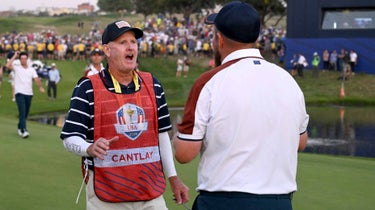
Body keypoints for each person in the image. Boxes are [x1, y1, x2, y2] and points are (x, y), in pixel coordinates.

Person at [172, 2, 309, 210]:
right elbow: (300, 142)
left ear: (219, 39)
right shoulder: (288, 81)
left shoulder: (208, 82)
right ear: (255, 38)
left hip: (223, 201)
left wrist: (177, 130)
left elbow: (184, 154)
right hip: (279, 202)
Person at [60, 20, 189, 210]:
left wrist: (173, 177)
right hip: (105, 194)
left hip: (150, 192)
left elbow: (161, 135)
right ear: (107, 50)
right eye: (122, 43)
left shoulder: (153, 84)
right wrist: (89, 148)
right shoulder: (87, 87)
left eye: (133, 42)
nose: (130, 47)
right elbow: (69, 137)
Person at [6, 51, 45, 138]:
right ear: (19, 60)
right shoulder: (17, 68)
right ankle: (24, 130)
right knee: (22, 112)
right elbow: (7, 65)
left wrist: (40, 87)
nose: (23, 60)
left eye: (25, 58)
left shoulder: (32, 70)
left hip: (29, 93)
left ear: (27, 59)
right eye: (22, 58)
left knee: (25, 113)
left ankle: (20, 126)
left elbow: (36, 79)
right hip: (19, 93)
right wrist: (15, 55)